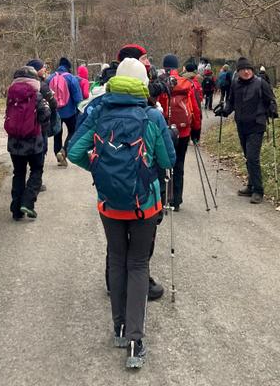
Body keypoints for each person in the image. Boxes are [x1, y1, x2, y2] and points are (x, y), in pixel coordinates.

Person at [68, 58, 176, 369]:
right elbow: (168, 161)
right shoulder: (152, 116)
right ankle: (134, 340)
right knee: (138, 264)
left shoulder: (99, 112)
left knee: (117, 260)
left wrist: (98, 169)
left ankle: (118, 328)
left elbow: (74, 151)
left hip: (109, 204)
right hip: (145, 204)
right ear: (143, 85)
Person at [214, 56, 278, 204]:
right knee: (248, 157)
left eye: (248, 69)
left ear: (252, 70)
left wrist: (273, 109)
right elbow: (231, 102)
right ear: (238, 72)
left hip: (257, 124)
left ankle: (258, 190)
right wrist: (224, 111)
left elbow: (271, 99)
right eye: (243, 69)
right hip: (242, 125)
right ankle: (250, 186)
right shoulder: (235, 84)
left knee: (252, 157)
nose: (246, 72)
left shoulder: (260, 83)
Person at [4, 66, 51, 220]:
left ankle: (16, 210)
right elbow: (45, 115)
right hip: (33, 141)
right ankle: (28, 202)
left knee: (18, 173)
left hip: (14, 142)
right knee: (36, 170)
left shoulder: (10, 94)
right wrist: (42, 125)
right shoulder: (36, 95)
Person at [163, 56, 202, 211]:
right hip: (183, 131)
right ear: (177, 67)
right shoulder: (187, 84)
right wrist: (196, 131)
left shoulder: (160, 83)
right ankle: (176, 200)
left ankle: (163, 198)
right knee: (179, 164)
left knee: (163, 163)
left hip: (165, 131)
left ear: (164, 66)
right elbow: (195, 110)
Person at [26, 58, 59, 192]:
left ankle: (23, 184)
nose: (45, 69)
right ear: (36, 70)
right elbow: (53, 105)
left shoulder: (19, 84)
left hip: (23, 125)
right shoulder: (41, 85)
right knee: (40, 153)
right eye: (42, 67)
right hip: (39, 125)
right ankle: (36, 182)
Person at [48, 57, 82, 166]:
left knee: (57, 133)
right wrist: (80, 110)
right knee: (73, 131)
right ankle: (64, 151)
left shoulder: (50, 78)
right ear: (68, 68)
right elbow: (78, 98)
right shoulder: (71, 78)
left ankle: (58, 157)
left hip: (54, 111)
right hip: (70, 112)